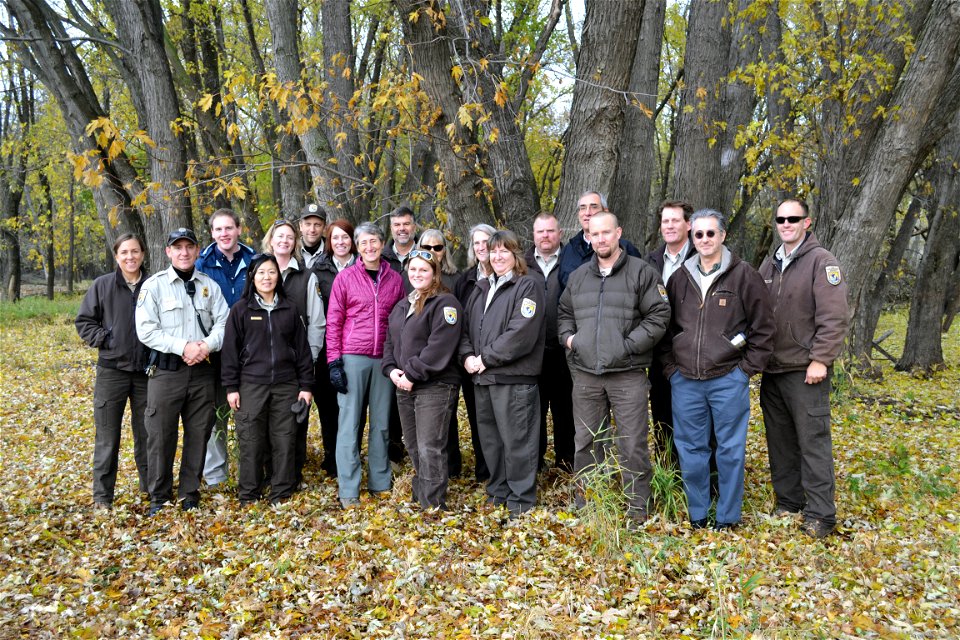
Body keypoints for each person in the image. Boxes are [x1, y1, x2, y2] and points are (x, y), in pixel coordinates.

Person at [661, 210, 774, 530]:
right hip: (686, 382)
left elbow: (763, 329)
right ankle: (698, 513)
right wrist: (672, 370)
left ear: (723, 236)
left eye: (711, 234)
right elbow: (665, 329)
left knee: (730, 451)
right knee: (692, 451)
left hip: (728, 379)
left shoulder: (744, 276)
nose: (705, 240)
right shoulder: (679, 278)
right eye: (699, 235)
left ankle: (727, 517)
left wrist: (745, 370)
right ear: (691, 237)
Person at [558, 212, 671, 525]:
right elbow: (564, 313)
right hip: (586, 375)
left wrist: (627, 345)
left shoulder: (641, 272)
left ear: (618, 232)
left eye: (606, 233)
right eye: (595, 234)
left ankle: (637, 509)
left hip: (628, 375)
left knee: (632, 443)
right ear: (589, 237)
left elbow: (659, 316)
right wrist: (570, 341)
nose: (601, 239)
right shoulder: (579, 276)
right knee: (586, 443)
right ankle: (589, 505)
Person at [759, 199, 850, 539]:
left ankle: (820, 515)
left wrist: (821, 359)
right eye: (780, 218)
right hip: (773, 369)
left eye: (792, 218)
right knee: (780, 442)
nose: (786, 223)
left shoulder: (821, 262)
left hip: (805, 371)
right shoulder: (770, 265)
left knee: (813, 443)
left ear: (806, 222)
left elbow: (835, 316)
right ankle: (789, 502)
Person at [136, 228, 229, 515]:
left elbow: (224, 323)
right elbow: (146, 330)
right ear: (168, 252)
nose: (184, 252)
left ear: (197, 250)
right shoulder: (154, 286)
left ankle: (190, 492)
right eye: (178, 247)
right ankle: (159, 496)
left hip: (202, 372)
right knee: (161, 436)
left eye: (189, 246)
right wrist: (183, 347)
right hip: (166, 373)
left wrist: (205, 346)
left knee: (198, 434)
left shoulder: (209, 286)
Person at [459, 230, 545, 518]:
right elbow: (466, 329)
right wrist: (468, 356)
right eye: (493, 251)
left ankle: (521, 499)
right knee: (491, 442)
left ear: (515, 254)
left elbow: (521, 333)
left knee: (517, 441)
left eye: (504, 251)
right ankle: (498, 492)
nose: (497, 256)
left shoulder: (527, 286)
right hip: (482, 378)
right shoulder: (481, 287)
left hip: (513, 379)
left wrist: (486, 358)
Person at [221, 254, 314, 505]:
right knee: (251, 441)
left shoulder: (289, 308)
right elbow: (229, 352)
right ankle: (249, 494)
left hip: (286, 384)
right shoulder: (241, 310)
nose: (266, 277)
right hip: (251, 385)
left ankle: (281, 492)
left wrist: (306, 386)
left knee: (284, 439)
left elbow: (303, 350)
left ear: (278, 276)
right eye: (261, 272)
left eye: (271, 272)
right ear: (252, 277)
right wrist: (232, 387)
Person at [326, 222, 405, 508]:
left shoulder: (395, 279)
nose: (369, 247)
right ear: (357, 247)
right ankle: (348, 488)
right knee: (349, 425)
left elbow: (399, 322)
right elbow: (334, 322)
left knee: (382, 423)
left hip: (383, 358)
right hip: (353, 356)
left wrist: (398, 358)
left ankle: (380, 482)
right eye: (364, 243)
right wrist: (334, 361)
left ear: (382, 244)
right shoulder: (345, 278)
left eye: (374, 241)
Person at [382, 251, 463, 509]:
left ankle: (434, 504)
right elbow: (390, 341)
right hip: (404, 385)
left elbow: (438, 346)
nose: (417, 274)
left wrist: (412, 374)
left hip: (434, 386)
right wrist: (391, 369)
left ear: (435, 273)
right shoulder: (403, 305)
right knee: (414, 446)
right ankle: (421, 497)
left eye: (424, 270)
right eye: (413, 270)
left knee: (431, 446)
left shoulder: (445, 303)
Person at [75, 233, 150, 509]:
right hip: (112, 372)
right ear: (116, 256)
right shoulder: (103, 285)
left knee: (148, 435)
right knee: (107, 437)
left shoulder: (153, 285)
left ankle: (150, 490)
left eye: (134, 252)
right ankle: (102, 497)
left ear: (142, 254)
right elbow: (84, 321)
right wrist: (106, 338)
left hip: (146, 373)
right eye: (124, 253)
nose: (130, 257)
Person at [262, 219, 326, 488]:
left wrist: (308, 359)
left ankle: (293, 475)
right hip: (263, 363)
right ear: (271, 240)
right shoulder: (260, 270)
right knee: (264, 421)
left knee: (295, 419)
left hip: (297, 363)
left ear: (295, 241)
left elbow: (317, 321)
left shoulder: (306, 276)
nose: (284, 241)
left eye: (289, 237)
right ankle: (269, 474)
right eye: (280, 236)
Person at [196, 208, 256, 487]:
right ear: (212, 233)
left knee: (252, 413)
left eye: (229, 228)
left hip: (251, 351)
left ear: (238, 229)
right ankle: (216, 476)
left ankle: (252, 470)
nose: (224, 234)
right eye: (218, 229)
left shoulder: (253, 259)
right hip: (216, 351)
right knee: (215, 414)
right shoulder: (201, 264)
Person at [644, 200, 695, 466]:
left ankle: (702, 486)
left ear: (689, 224)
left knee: (696, 425)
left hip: (695, 356)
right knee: (663, 421)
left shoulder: (704, 255)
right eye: (665, 221)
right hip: (660, 357)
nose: (670, 226)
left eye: (675, 220)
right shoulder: (651, 261)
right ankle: (669, 480)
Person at [525, 212, 575, 472]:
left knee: (565, 410)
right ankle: (536, 464)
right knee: (534, 411)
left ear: (560, 233)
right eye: (540, 231)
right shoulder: (522, 264)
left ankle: (566, 464)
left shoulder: (572, 260)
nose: (545, 236)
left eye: (550, 231)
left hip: (564, 351)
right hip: (531, 352)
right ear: (533, 235)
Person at [313, 218, 357, 476]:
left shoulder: (363, 266)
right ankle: (332, 457)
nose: (340, 242)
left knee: (352, 405)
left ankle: (350, 455)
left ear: (353, 240)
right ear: (328, 242)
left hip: (354, 345)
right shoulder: (318, 270)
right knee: (328, 405)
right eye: (335, 238)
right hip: (326, 348)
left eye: (345, 237)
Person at [453, 223, 497, 483]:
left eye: (486, 241)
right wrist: (467, 357)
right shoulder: (465, 280)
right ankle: (484, 470)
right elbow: (459, 323)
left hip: (499, 362)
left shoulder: (510, 276)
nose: (481, 247)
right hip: (470, 363)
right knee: (478, 419)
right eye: (477, 243)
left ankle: (503, 470)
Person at [417, 229, 463, 477]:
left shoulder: (456, 279)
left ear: (445, 250)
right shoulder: (413, 277)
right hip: (420, 359)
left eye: (438, 247)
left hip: (450, 358)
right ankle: (428, 471)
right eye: (427, 247)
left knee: (447, 417)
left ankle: (452, 467)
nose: (432, 252)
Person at [557, 191, 641, 292]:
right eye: (583, 208)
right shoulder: (567, 251)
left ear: (605, 211)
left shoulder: (625, 248)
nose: (587, 212)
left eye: (594, 207)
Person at [381, 205, 418, 280]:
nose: (402, 228)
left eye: (406, 224)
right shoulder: (380, 258)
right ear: (391, 229)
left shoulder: (425, 255)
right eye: (397, 225)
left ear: (414, 227)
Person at [299, 203, 327, 270]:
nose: (312, 230)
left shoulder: (333, 252)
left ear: (324, 227)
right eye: (308, 224)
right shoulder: (290, 251)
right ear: (300, 226)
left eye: (317, 225)